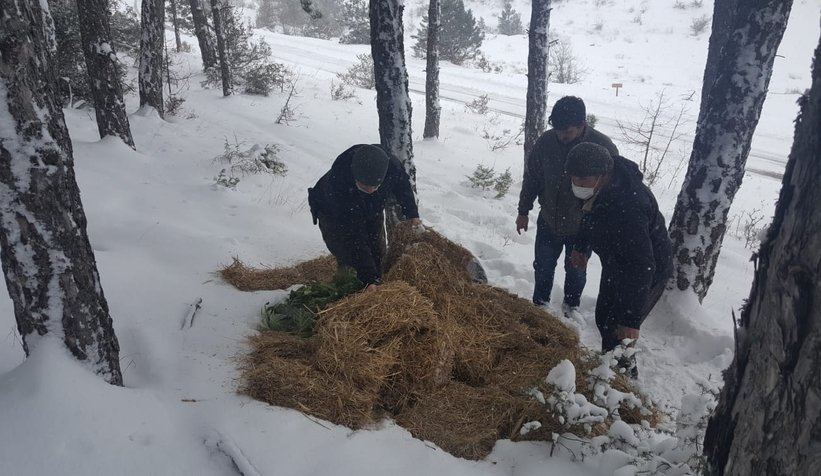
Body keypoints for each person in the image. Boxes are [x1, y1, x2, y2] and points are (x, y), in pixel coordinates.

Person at [565, 142, 673, 377]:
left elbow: (643, 265)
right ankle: (607, 370)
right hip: (617, 261)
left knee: (619, 331)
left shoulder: (629, 206)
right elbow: (588, 215)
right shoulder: (599, 190)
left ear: (602, 176)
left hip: (644, 272)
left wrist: (631, 319)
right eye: (573, 178)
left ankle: (622, 385)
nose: (576, 185)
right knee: (604, 317)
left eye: (582, 180)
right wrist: (580, 247)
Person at [516, 96, 619, 317]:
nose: (562, 136)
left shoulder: (602, 147)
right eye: (558, 130)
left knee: (576, 271)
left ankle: (571, 308)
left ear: (582, 125)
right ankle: (539, 307)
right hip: (549, 220)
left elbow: (612, 192)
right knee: (543, 267)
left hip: (581, 227)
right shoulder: (546, 142)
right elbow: (532, 177)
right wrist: (523, 211)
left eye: (568, 132)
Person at [308, 144, 420, 290]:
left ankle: (377, 280)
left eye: (375, 187)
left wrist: (412, 214)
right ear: (355, 175)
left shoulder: (391, 167)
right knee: (349, 255)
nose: (371, 191)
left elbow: (403, 187)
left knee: (377, 249)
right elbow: (355, 237)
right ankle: (352, 285)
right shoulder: (339, 183)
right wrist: (368, 279)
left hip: (371, 208)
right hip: (333, 213)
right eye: (364, 187)